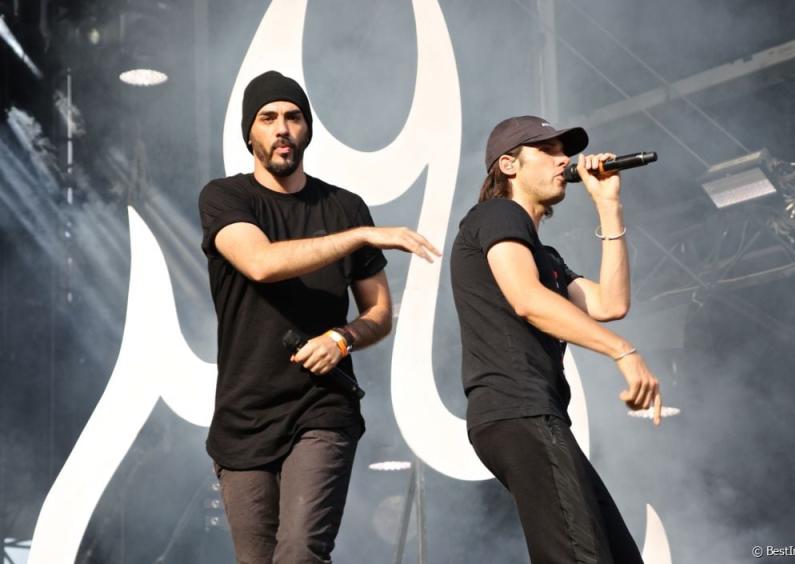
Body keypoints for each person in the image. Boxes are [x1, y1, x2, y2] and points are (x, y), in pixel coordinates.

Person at [198, 70, 440, 564]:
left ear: (308, 129)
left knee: (301, 550)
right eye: (268, 118)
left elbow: (380, 313)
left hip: (322, 408)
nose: (282, 128)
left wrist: (342, 339)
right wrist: (358, 236)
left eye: (293, 116)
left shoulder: (344, 206)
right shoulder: (226, 198)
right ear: (251, 133)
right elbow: (261, 263)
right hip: (244, 414)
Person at [450, 115, 662, 564]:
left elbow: (611, 303)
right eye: (547, 150)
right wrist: (622, 350)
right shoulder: (496, 214)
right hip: (518, 409)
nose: (563, 159)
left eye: (564, 150)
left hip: (538, 415)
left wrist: (608, 206)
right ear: (509, 165)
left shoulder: (545, 256)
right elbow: (527, 299)